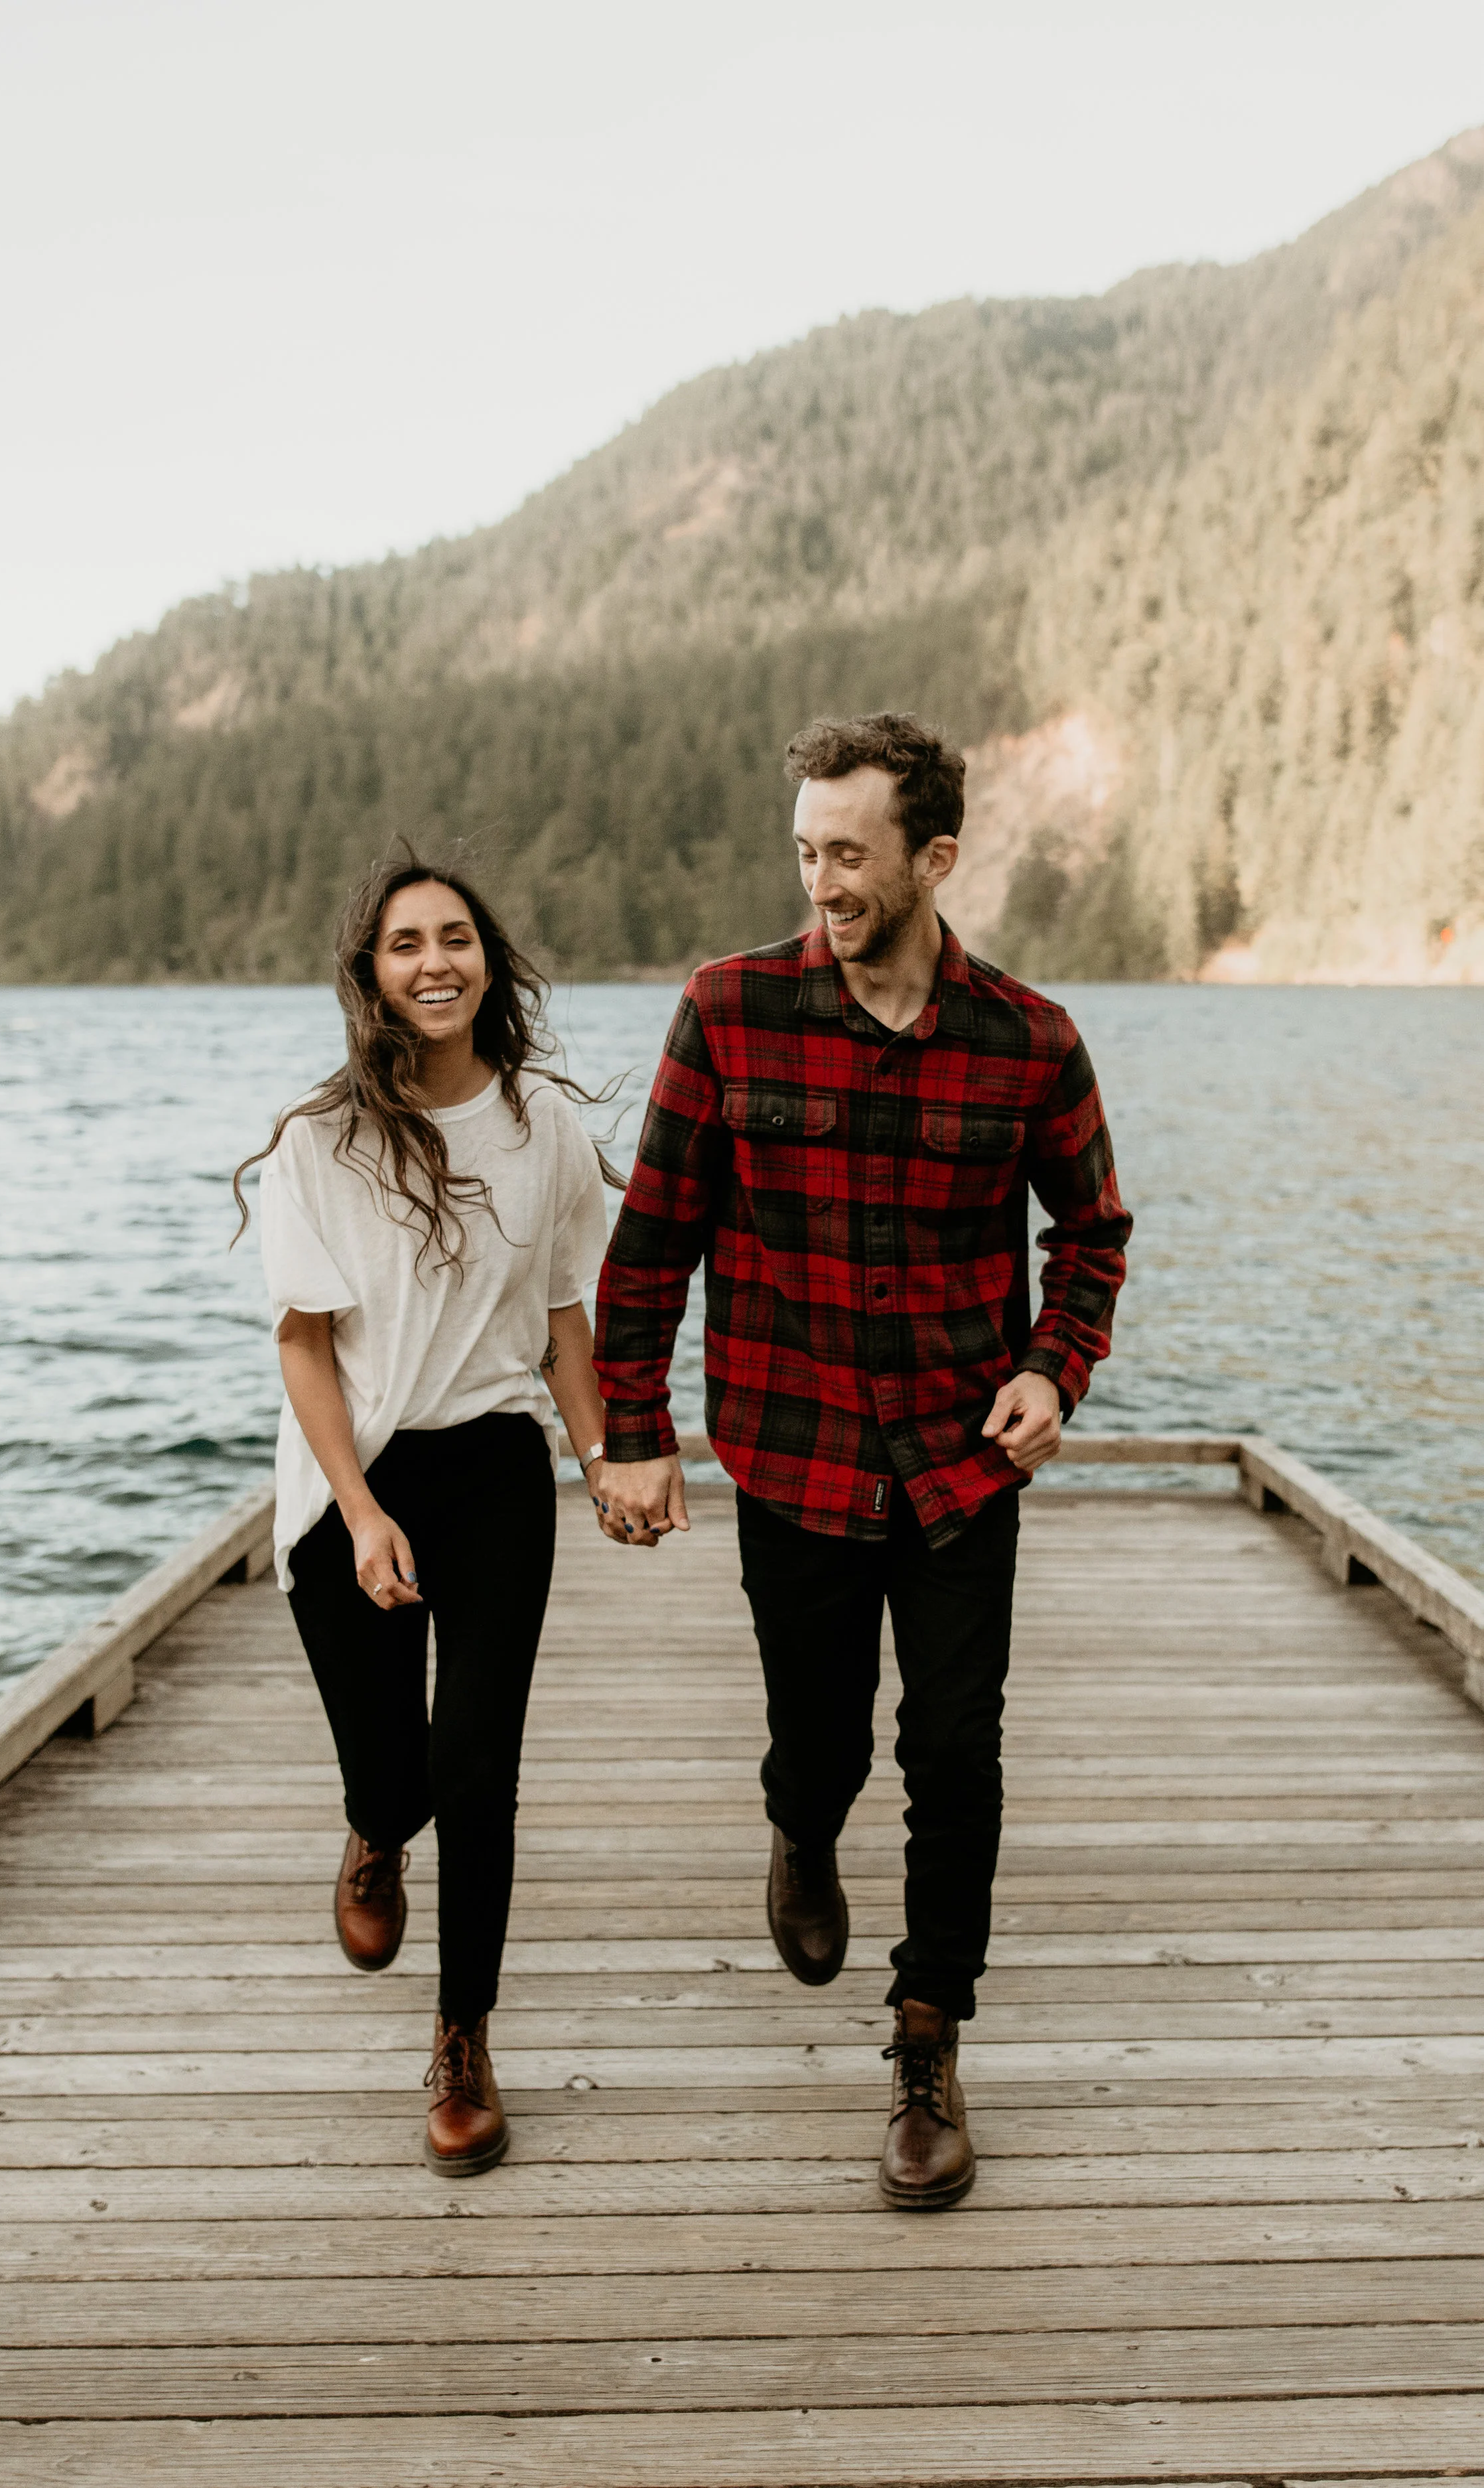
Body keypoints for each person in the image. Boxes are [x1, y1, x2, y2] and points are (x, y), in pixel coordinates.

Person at [590, 713, 1132, 2209]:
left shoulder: (1029, 1040)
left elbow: (1088, 1237)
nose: (818, 881)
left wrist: (1050, 1366)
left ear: (932, 858)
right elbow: (650, 1250)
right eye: (803, 852)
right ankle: (799, 1827)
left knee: (955, 1754)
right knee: (819, 1740)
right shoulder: (730, 1010)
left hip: (961, 1469)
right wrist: (630, 1438)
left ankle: (924, 2035)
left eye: (847, 853)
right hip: (795, 1456)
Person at [234, 860, 627, 2176]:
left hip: (496, 1472)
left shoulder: (541, 1131)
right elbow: (302, 1348)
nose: (434, 960)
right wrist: (354, 1510)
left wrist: (600, 1458)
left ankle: (462, 2036)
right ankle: (370, 1831)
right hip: (353, 1479)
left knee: (478, 1770)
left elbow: (567, 1323)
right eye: (406, 943)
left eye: (455, 937)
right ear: (374, 976)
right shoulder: (318, 1143)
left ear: (488, 964)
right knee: (397, 1780)